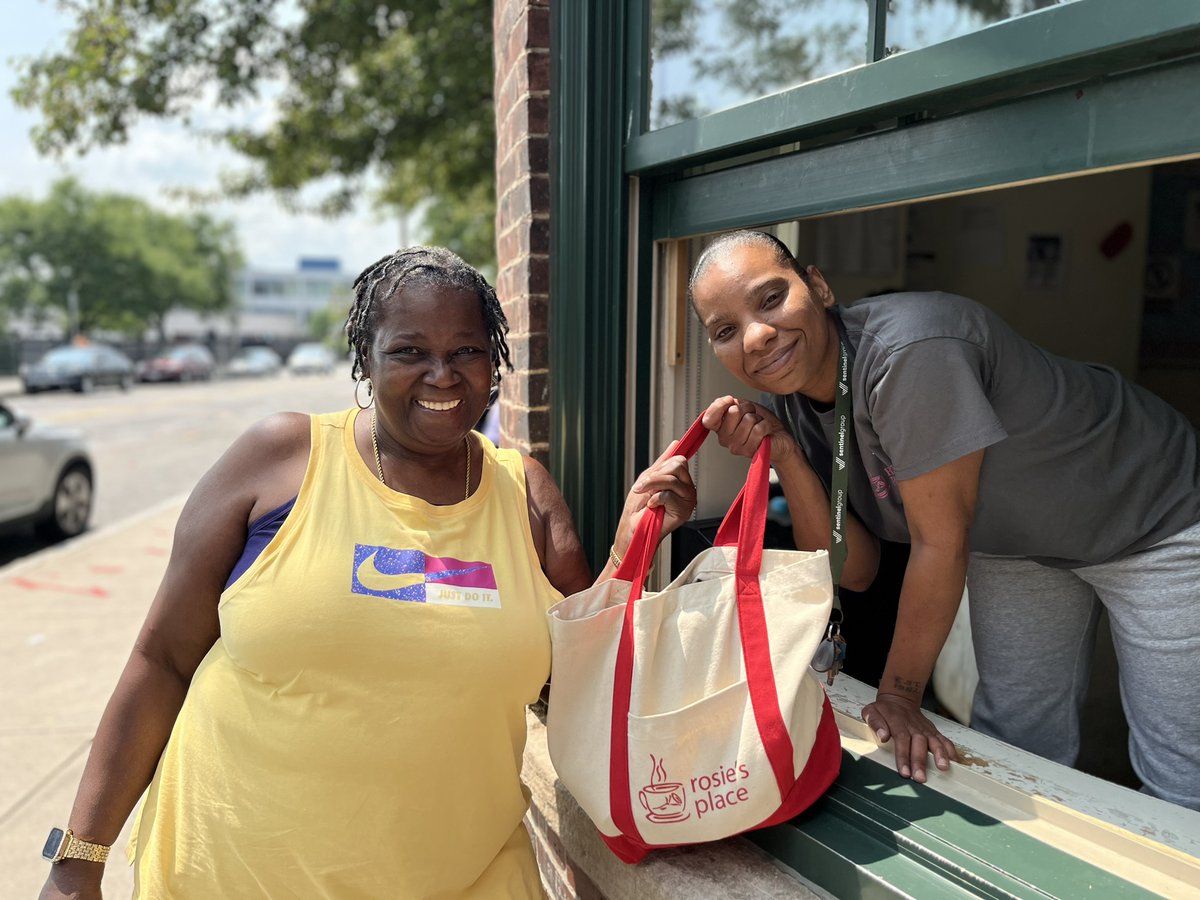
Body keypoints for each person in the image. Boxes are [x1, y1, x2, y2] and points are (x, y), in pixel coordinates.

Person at [39, 246, 696, 899]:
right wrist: (76, 864)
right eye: (410, 351)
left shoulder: (524, 495)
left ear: (493, 360)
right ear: (366, 358)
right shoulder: (282, 459)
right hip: (233, 876)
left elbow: (582, 676)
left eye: (466, 350)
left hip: (467, 876)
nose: (442, 375)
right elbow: (161, 661)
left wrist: (630, 549)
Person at [687, 229, 1200, 810]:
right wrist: (786, 455)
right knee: (1015, 741)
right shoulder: (790, 400)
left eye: (771, 298)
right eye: (725, 331)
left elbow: (940, 542)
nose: (756, 335)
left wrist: (900, 695)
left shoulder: (910, 351)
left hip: (1150, 512)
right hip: (1016, 542)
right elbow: (853, 569)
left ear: (820, 287)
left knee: (1182, 769)